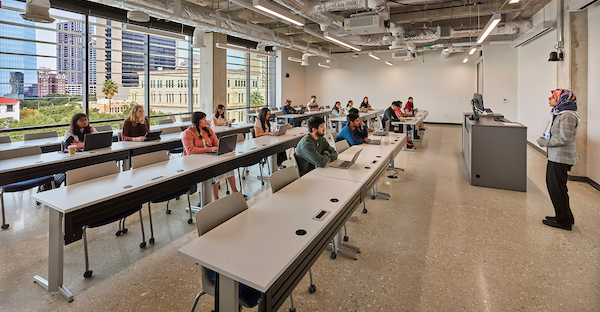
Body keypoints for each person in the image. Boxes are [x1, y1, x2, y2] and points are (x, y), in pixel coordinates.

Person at [537, 89, 580, 231]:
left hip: (561, 158)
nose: (549, 98)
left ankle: (563, 221)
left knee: (557, 189)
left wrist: (544, 142)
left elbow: (564, 139)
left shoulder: (567, 116)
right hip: (557, 157)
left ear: (563, 99)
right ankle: (565, 216)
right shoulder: (560, 113)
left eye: (554, 96)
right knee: (557, 188)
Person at [182, 111, 239, 200]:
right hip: (193, 160)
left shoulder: (208, 129)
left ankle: (234, 191)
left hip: (208, 156)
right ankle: (216, 198)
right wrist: (210, 149)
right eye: (203, 119)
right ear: (197, 121)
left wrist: (219, 148)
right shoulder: (187, 133)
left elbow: (216, 143)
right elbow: (190, 150)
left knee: (228, 166)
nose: (206, 120)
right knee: (214, 171)